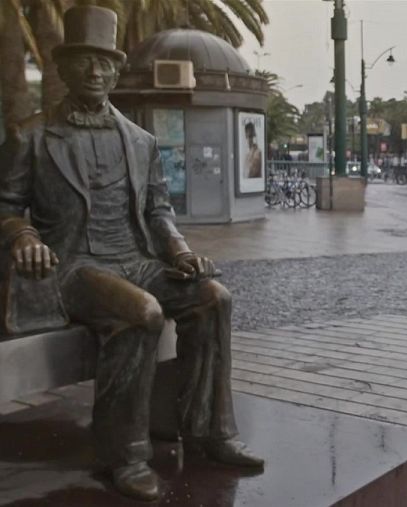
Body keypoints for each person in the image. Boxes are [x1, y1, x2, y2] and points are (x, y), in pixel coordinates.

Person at [0, 6, 263, 502]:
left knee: (214, 297)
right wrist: (24, 239)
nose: (95, 72)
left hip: (137, 259)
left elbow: (159, 209)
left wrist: (181, 251)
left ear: (117, 70)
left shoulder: (140, 141)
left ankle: (210, 432)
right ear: (63, 67)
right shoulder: (30, 136)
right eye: (84, 61)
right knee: (141, 312)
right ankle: (125, 453)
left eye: (104, 62)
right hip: (74, 265)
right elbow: (6, 206)